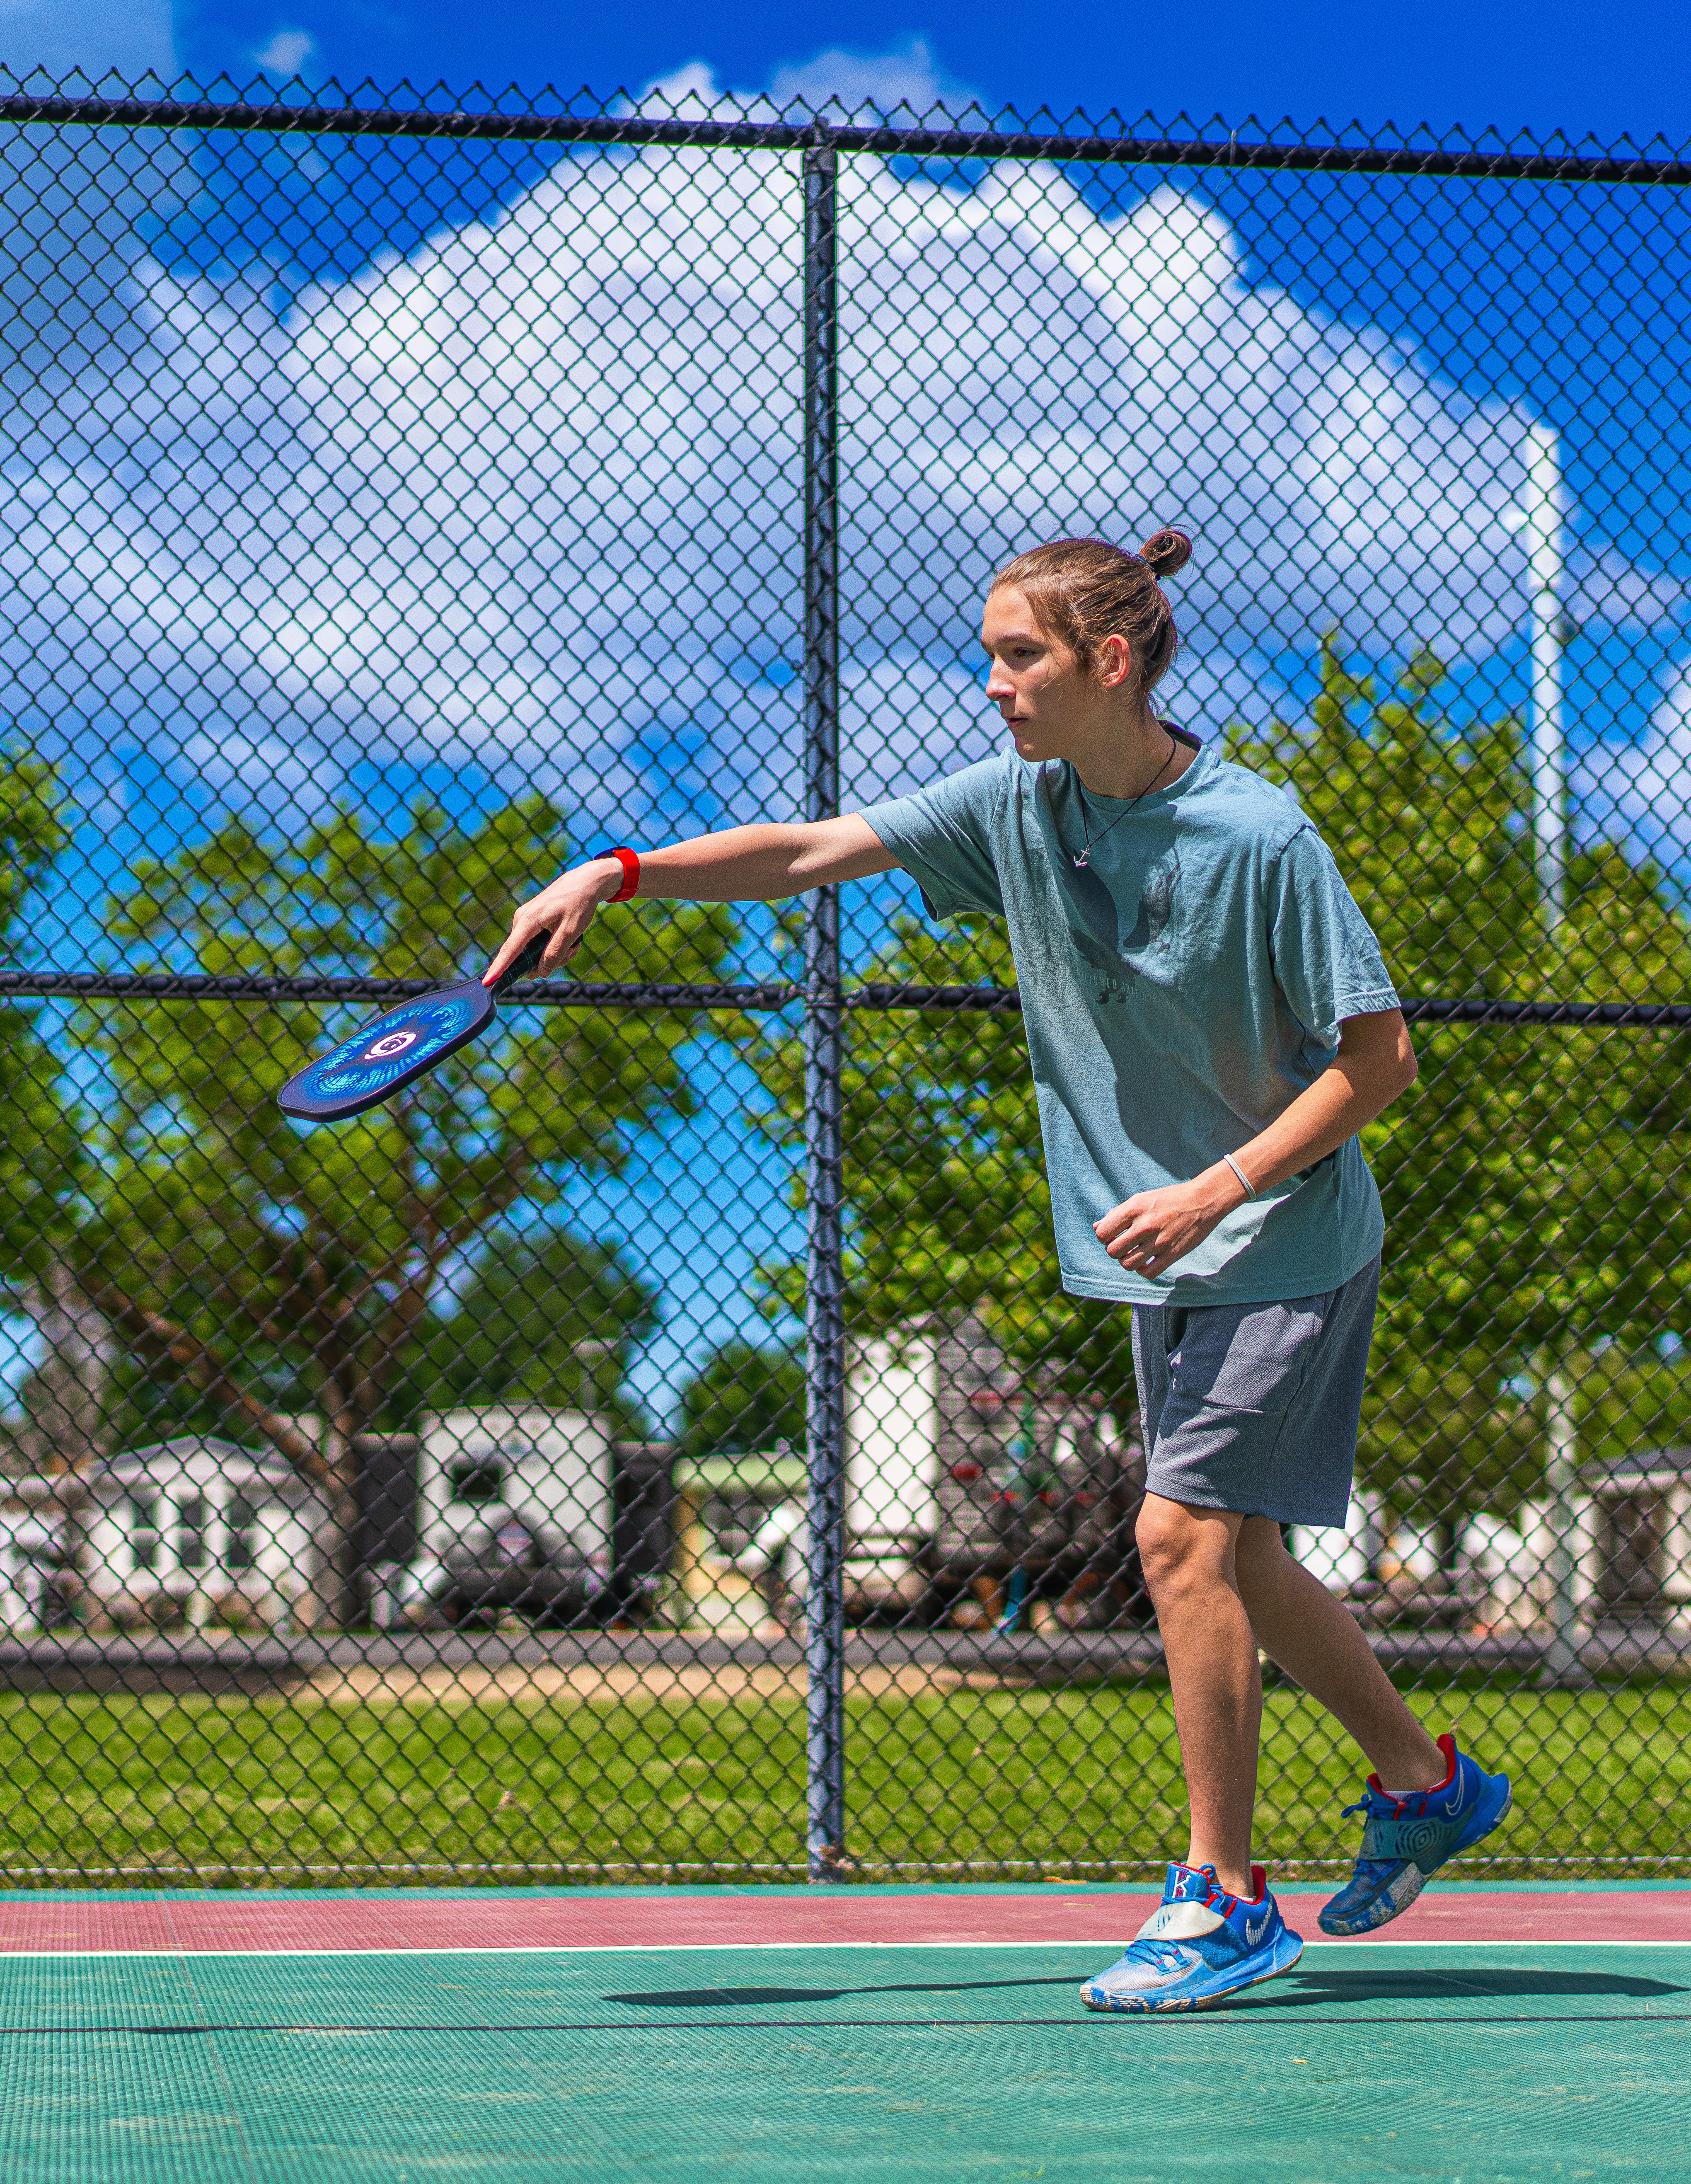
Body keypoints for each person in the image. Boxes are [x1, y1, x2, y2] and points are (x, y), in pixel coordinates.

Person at [489, 529, 1510, 2013]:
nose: (992, 686)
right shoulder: (1020, 810)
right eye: (990, 656)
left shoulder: (1263, 838)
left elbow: (1381, 1061)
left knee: (1176, 1542)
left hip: (1283, 1236)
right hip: (1175, 1254)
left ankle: (1225, 1897)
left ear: (1109, 663)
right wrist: (619, 871)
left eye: (1017, 657)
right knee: (1248, 1560)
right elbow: (811, 855)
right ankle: (1426, 1786)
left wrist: (1215, 1186)